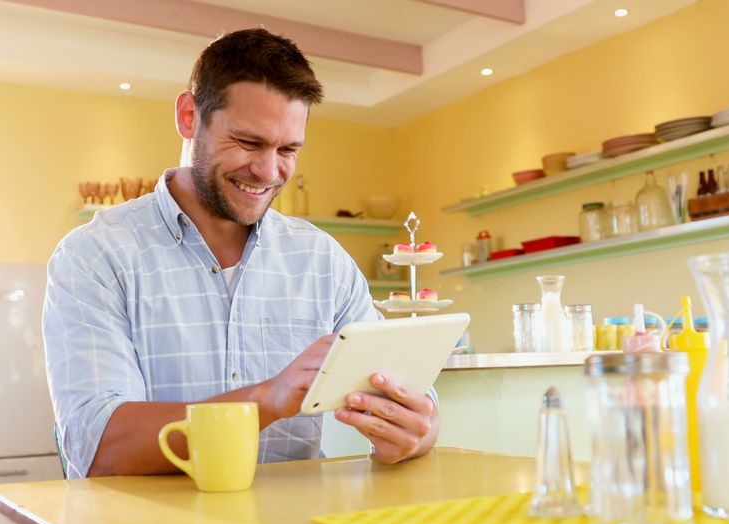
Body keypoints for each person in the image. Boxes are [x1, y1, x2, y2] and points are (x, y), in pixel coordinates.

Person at [43, 29, 439, 479]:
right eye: (249, 143)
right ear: (190, 116)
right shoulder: (96, 256)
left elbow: (415, 405)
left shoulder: (323, 263)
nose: (269, 171)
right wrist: (267, 399)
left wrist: (416, 432)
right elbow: (98, 448)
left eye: (288, 149)